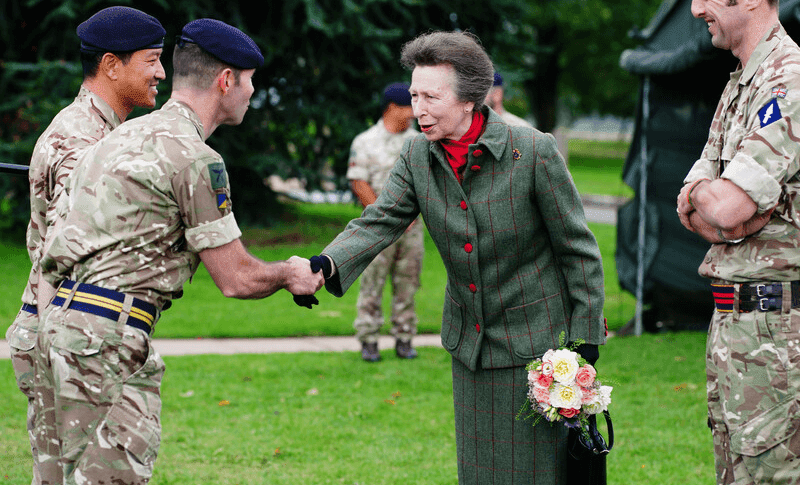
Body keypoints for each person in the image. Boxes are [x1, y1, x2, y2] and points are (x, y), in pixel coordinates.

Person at [31, 19, 324, 484]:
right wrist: (290, 272)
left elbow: (52, 251)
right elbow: (236, 279)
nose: (250, 93)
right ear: (226, 80)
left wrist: (53, 335)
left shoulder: (114, 140)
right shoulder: (195, 158)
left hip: (60, 331)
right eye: (249, 82)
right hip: (109, 340)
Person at [314, 31, 606, 484]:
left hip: (538, 345)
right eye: (414, 95)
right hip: (470, 347)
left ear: (471, 98)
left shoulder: (532, 151)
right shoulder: (415, 154)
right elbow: (380, 219)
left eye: (431, 96)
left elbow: (578, 249)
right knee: (480, 472)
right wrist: (326, 264)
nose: (418, 109)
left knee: (534, 473)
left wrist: (585, 336)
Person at [4, 6, 166, 482]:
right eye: (152, 60)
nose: (162, 72)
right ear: (112, 65)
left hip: (58, 332)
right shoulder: (82, 141)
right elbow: (66, 250)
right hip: (79, 339)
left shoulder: (101, 132)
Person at [677, 0, 800, 483]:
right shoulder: (742, 80)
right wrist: (717, 202)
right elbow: (693, 199)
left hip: (778, 331)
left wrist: (720, 205)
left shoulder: (788, 79)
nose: (695, 8)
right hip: (735, 321)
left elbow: (726, 209)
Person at [347, 82, 423, 362]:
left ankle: (404, 338)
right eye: (409, 107)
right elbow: (359, 181)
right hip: (377, 227)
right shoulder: (365, 141)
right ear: (392, 107)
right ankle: (368, 338)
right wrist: (386, 216)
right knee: (372, 282)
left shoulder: (419, 141)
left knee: (408, 282)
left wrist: (411, 216)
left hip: (412, 229)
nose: (414, 114)